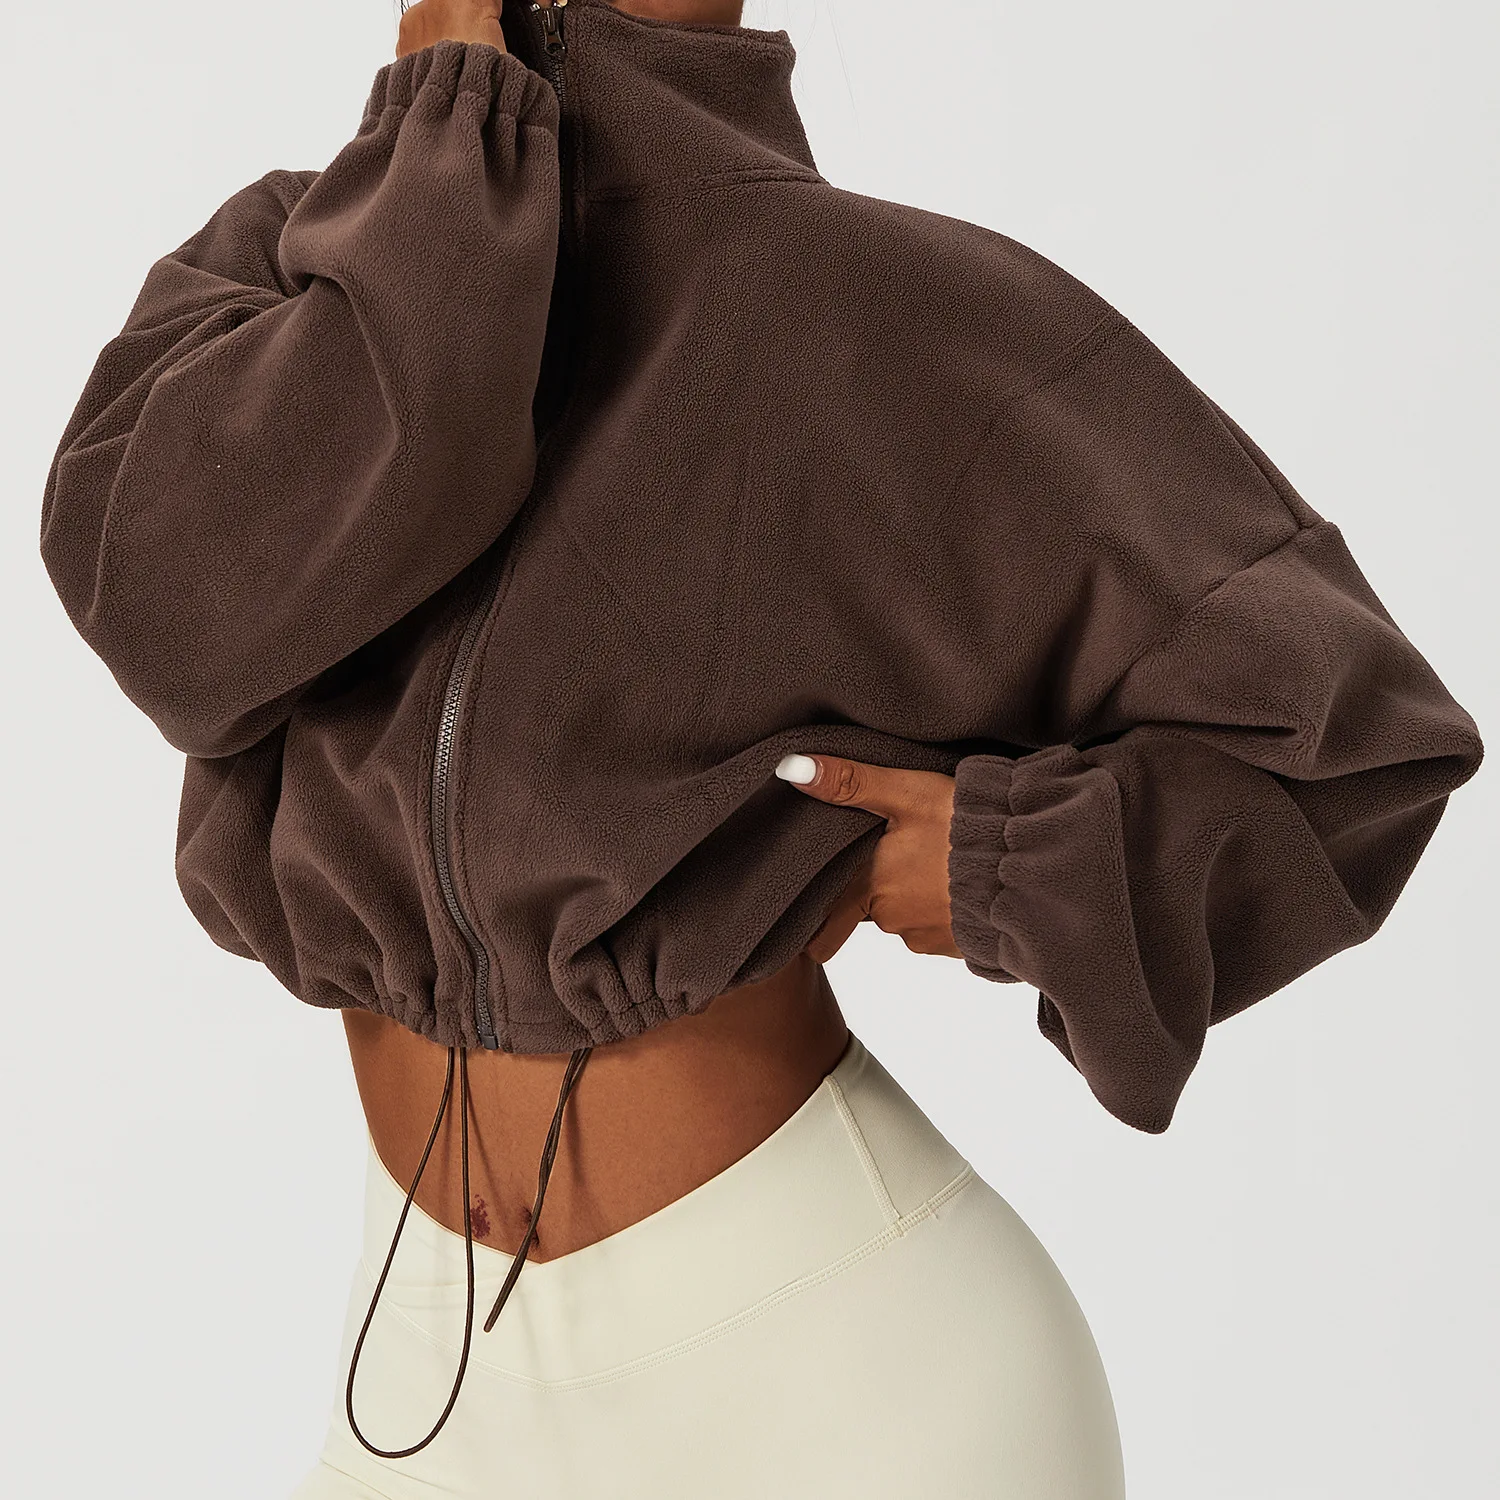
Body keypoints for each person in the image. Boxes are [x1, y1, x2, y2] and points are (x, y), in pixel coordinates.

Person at [38, 0, 1484, 1495]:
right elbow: (172, 629)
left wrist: (1005, 861)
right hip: (422, 1364)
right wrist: (447, 156)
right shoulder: (287, 278)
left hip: (847, 1382)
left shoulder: (886, 312)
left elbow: (1356, 745)